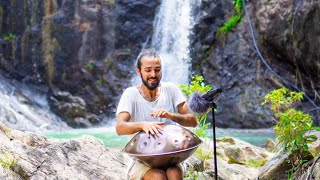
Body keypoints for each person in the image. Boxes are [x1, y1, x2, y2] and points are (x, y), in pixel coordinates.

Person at [116, 48, 197, 180]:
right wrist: (142, 125)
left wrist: (171, 115)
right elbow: (120, 128)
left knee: (173, 173)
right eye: (148, 70)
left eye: (157, 70)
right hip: (142, 160)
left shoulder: (171, 89)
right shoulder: (130, 94)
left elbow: (193, 121)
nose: (153, 74)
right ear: (139, 71)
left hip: (171, 156)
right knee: (158, 177)